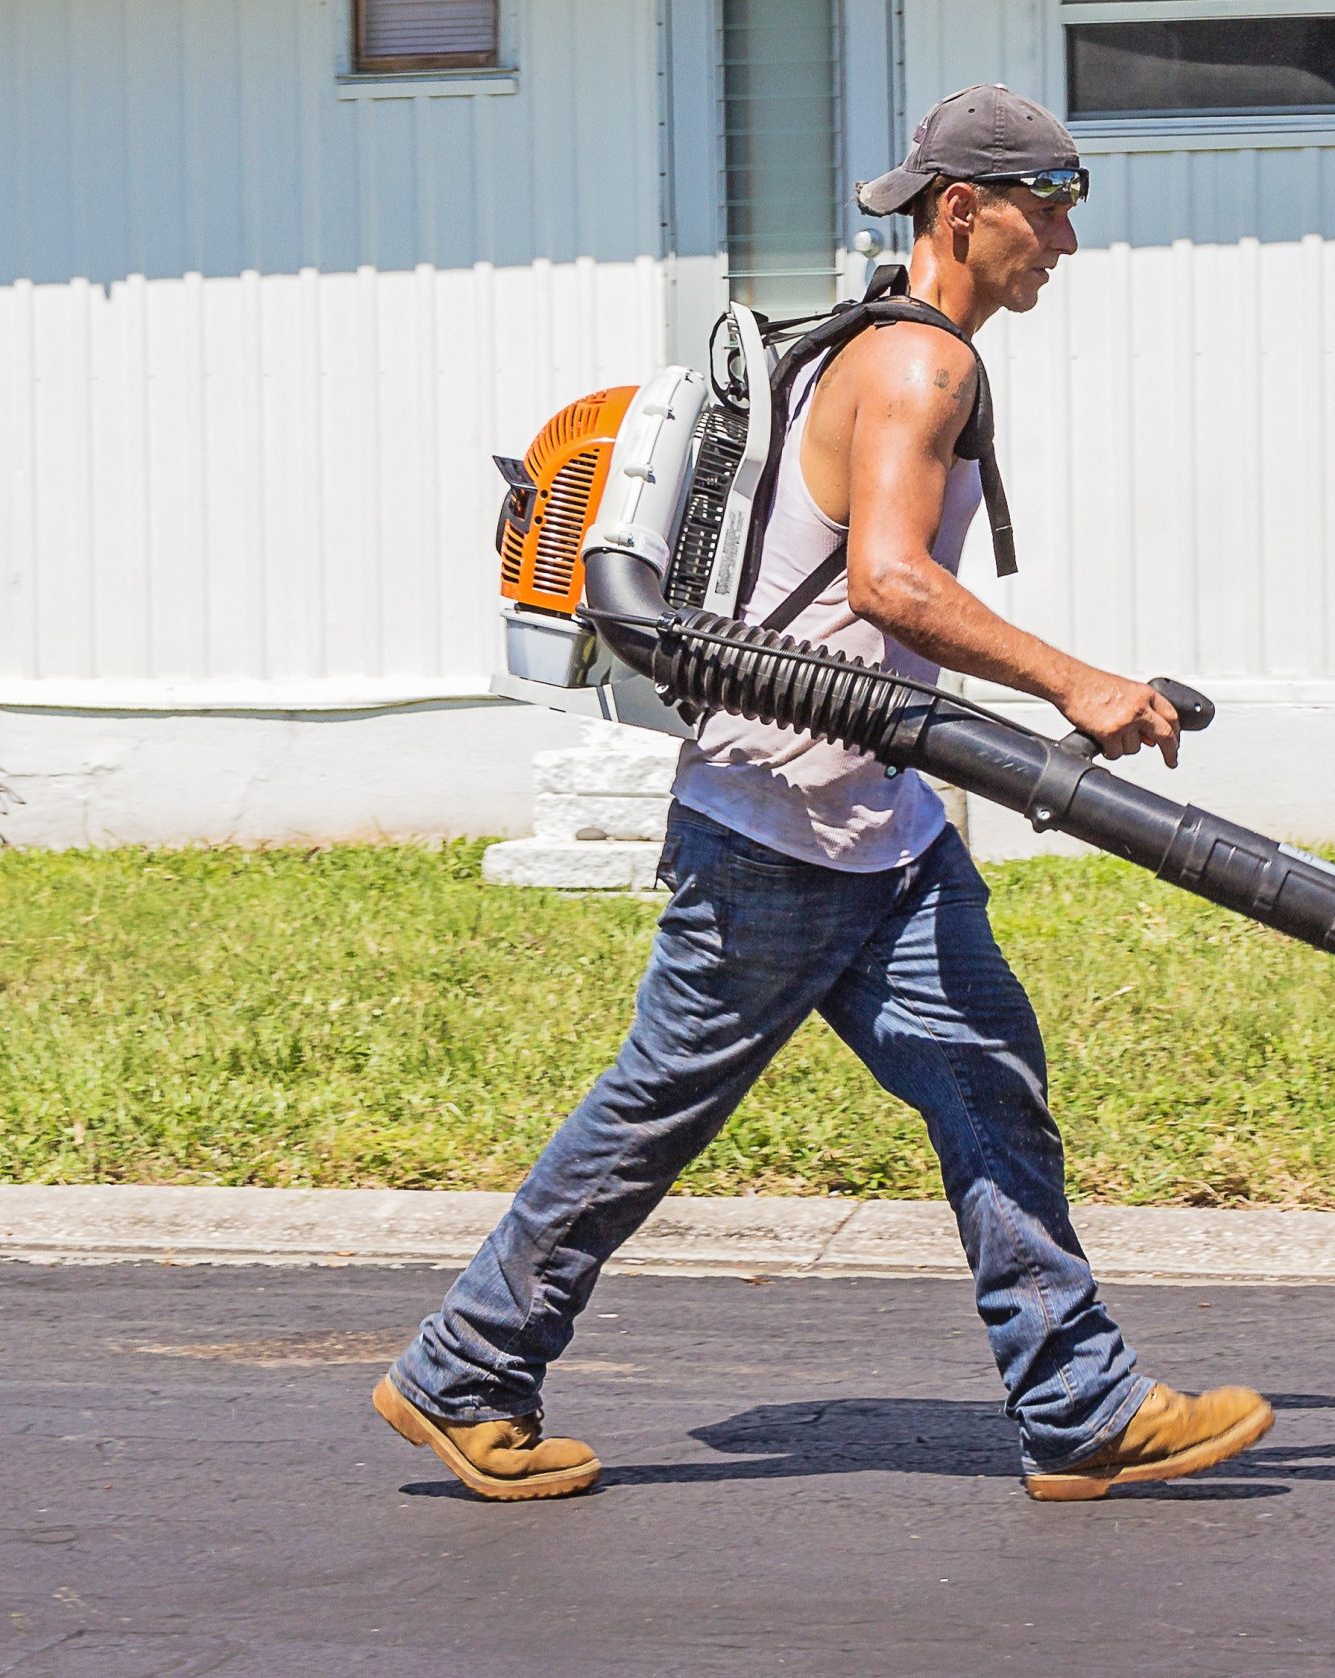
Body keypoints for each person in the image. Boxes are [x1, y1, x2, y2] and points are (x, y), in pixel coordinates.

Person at [375, 85, 1272, 1503]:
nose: (1066, 245)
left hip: (876, 819)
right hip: (779, 826)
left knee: (990, 1079)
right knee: (653, 1110)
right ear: (962, 211)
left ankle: (1080, 1403)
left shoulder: (865, 345)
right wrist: (1078, 684)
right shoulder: (920, 367)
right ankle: (466, 1364)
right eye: (1050, 210)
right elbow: (892, 584)